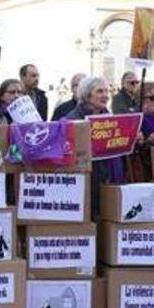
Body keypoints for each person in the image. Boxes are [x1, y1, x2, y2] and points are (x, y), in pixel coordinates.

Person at [66, 76, 123, 211]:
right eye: (100, 91)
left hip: (108, 177)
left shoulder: (110, 117)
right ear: (87, 95)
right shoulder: (73, 119)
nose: (106, 96)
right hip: (86, 180)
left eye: (107, 91)